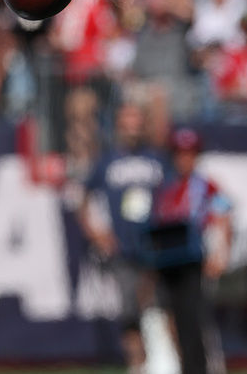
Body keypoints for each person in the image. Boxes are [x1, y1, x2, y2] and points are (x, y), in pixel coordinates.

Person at [76, 102, 167, 373]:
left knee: (160, 307)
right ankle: (137, 363)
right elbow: (82, 199)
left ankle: (163, 360)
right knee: (130, 310)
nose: (132, 128)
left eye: (136, 121)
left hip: (157, 245)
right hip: (124, 248)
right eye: (127, 121)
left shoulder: (157, 159)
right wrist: (97, 234)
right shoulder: (107, 161)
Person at [144, 128, 231, 374]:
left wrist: (220, 253)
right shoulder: (166, 187)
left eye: (189, 154)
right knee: (173, 319)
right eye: (180, 154)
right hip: (169, 263)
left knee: (197, 320)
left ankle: (204, 368)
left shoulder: (205, 186)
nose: (184, 159)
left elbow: (223, 215)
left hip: (196, 263)